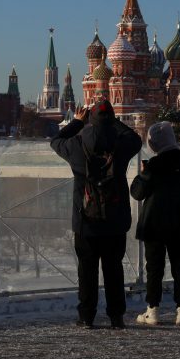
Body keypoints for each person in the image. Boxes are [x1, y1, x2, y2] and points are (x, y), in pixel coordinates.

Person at [51, 99, 142, 329]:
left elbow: (56, 141)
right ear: (111, 120)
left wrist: (77, 122)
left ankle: (86, 316)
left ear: (89, 120)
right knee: (114, 270)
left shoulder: (77, 146)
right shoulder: (120, 146)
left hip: (85, 221)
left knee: (87, 270)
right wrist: (115, 122)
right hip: (115, 220)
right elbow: (136, 139)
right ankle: (116, 316)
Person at [129, 121, 180, 326]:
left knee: (154, 267)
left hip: (154, 223)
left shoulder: (154, 165)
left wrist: (144, 173)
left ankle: (153, 310)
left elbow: (137, 193)